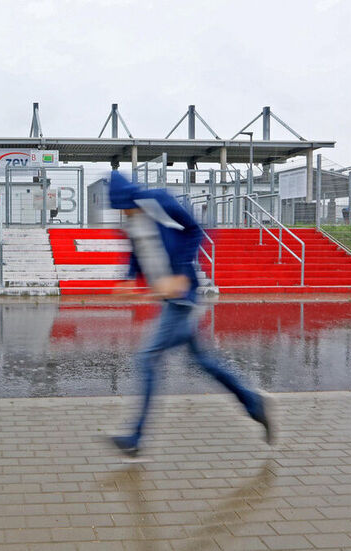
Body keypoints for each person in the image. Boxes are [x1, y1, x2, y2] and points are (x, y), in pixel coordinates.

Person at [107, 171, 272, 457]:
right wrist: (128, 279)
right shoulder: (132, 222)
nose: (125, 213)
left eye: (124, 207)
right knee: (205, 361)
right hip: (169, 300)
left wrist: (182, 273)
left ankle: (136, 437)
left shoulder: (159, 201)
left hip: (182, 299)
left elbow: (196, 229)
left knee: (146, 359)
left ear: (130, 198)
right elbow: (137, 251)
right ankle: (254, 403)